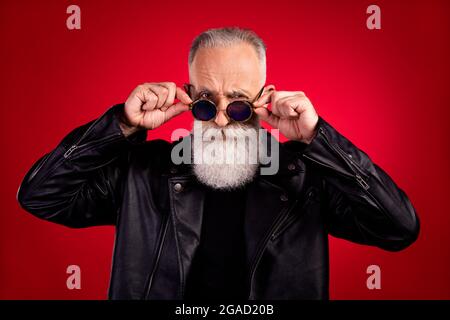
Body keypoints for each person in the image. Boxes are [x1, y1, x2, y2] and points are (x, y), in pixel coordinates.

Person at [17, 27, 419, 300]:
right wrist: (120, 125)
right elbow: (40, 196)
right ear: (190, 96)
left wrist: (318, 138)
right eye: (208, 102)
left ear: (266, 97)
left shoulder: (305, 176)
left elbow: (398, 227)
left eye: (240, 104)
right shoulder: (141, 172)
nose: (223, 118)